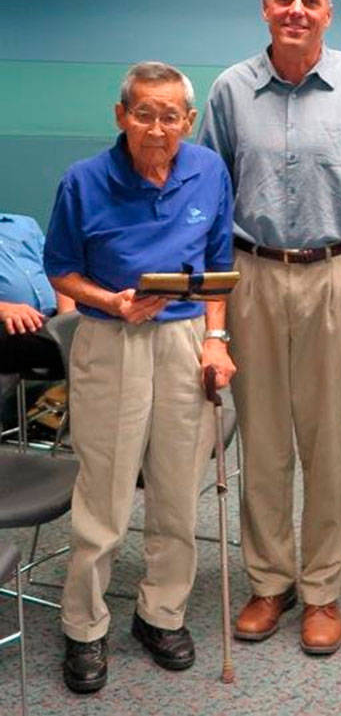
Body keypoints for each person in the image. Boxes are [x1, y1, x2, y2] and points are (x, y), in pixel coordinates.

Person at [198, 0, 341, 654]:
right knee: (261, 438)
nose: (297, 9)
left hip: (337, 272)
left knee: (326, 441)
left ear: (329, 12)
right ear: (265, 8)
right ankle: (270, 582)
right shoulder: (231, 88)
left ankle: (321, 589)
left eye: (310, 0)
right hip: (253, 272)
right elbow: (206, 188)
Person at [43, 61, 236, 693]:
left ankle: (161, 614)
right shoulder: (84, 181)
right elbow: (62, 272)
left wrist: (215, 339)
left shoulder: (208, 170)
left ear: (190, 119)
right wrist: (112, 300)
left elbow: (218, 265)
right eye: (144, 113)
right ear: (122, 114)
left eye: (171, 116)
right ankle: (85, 626)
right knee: (105, 491)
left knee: (178, 488)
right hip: (111, 335)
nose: (158, 128)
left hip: (184, 340)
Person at [0, 213, 74, 421]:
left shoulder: (24, 225)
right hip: (8, 324)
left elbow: (59, 272)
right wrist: (4, 308)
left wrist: (67, 320)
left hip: (53, 321)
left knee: (94, 333)